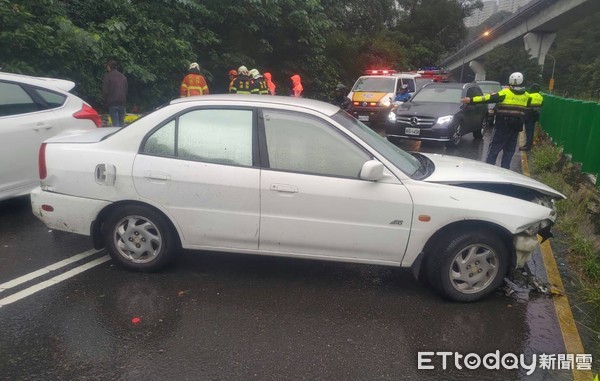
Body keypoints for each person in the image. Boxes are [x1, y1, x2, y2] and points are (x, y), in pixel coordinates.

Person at [461, 72, 530, 170]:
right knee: (509, 151)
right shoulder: (527, 96)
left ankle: (489, 170)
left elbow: (487, 98)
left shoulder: (505, 93)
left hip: (502, 126)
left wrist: (470, 100)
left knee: (494, 149)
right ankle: (505, 170)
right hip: (516, 127)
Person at [102, 59, 128, 127]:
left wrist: (105, 101)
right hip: (122, 103)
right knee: (122, 124)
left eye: (107, 66)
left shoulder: (107, 76)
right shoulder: (123, 77)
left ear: (110, 67)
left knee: (115, 125)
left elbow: (105, 91)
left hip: (112, 103)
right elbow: (125, 90)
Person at [521, 83, 544, 151]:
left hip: (528, 114)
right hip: (536, 114)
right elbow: (541, 104)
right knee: (531, 129)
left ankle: (527, 146)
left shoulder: (529, 96)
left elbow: (525, 104)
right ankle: (529, 144)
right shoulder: (541, 97)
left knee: (528, 130)